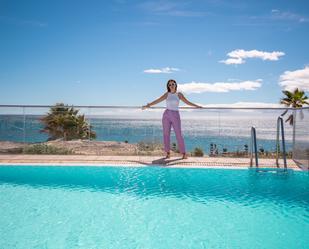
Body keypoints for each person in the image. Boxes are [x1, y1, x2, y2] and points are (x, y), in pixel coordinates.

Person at [142, 79, 202, 159]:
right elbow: (158, 100)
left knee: (178, 134)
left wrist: (196, 106)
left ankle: (183, 153)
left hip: (175, 115)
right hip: (166, 115)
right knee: (166, 134)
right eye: (169, 85)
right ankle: (167, 153)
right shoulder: (167, 94)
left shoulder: (179, 94)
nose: (171, 86)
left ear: (175, 85)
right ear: (168, 86)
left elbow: (187, 102)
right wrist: (148, 105)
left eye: (173, 84)